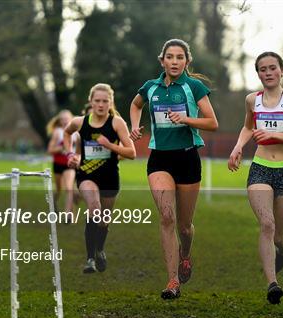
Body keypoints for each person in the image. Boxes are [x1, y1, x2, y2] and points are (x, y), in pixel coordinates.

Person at [129, 39, 218, 299]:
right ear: (162, 61)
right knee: (166, 217)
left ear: (186, 62)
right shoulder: (151, 87)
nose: (175, 61)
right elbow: (136, 104)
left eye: (180, 57)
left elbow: (212, 122)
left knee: (184, 226)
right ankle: (172, 281)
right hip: (159, 160)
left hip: (188, 159)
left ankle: (186, 254)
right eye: (170, 57)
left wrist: (186, 119)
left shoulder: (194, 86)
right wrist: (134, 125)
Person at [227, 52, 283, 304]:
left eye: (272, 68)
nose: (268, 72)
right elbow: (248, 127)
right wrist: (238, 146)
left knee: (278, 235)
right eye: (262, 69)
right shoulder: (252, 100)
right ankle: (272, 284)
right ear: (258, 73)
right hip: (261, 168)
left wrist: (277, 136)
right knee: (267, 224)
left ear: (281, 70)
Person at [64, 83, 136, 274]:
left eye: (105, 101)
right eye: (97, 101)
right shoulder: (80, 122)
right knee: (94, 208)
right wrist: (70, 155)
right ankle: (89, 259)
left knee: (104, 220)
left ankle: (99, 250)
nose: (101, 105)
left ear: (110, 102)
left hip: (110, 177)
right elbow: (66, 132)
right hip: (86, 175)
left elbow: (131, 153)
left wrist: (109, 145)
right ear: (91, 101)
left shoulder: (116, 123)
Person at [46, 110, 76, 222]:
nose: (65, 121)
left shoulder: (76, 132)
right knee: (59, 189)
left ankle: (68, 215)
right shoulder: (57, 132)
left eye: (67, 119)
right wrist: (61, 148)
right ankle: (53, 201)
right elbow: (50, 150)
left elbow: (80, 148)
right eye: (62, 119)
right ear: (60, 121)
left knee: (69, 188)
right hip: (58, 163)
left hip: (69, 164)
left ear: (71, 119)